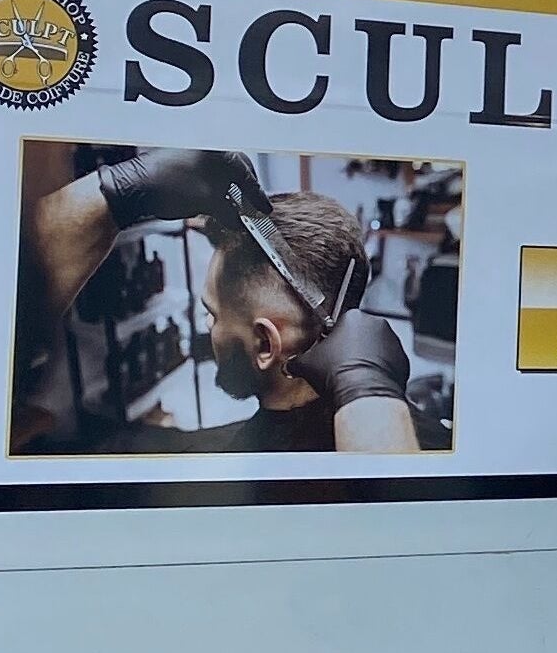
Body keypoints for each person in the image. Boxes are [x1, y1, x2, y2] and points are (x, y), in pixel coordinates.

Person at [27, 148, 424, 453]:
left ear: (265, 345)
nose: (207, 326)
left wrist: (109, 196)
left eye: (212, 314)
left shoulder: (193, 474)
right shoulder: (425, 445)